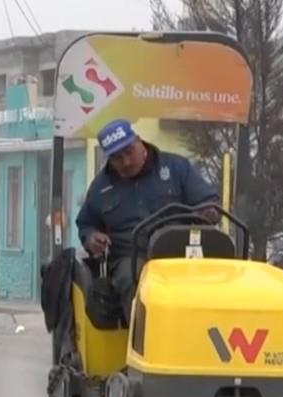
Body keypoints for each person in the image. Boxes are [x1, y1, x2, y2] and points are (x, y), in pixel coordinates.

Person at [75, 119, 221, 318]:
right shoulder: (101, 188)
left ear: (139, 142)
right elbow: (86, 223)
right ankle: (145, 343)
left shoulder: (176, 168)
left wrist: (208, 211)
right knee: (134, 280)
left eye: (129, 151)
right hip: (132, 257)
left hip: (183, 254)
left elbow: (208, 201)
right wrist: (91, 237)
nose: (125, 162)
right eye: (117, 158)